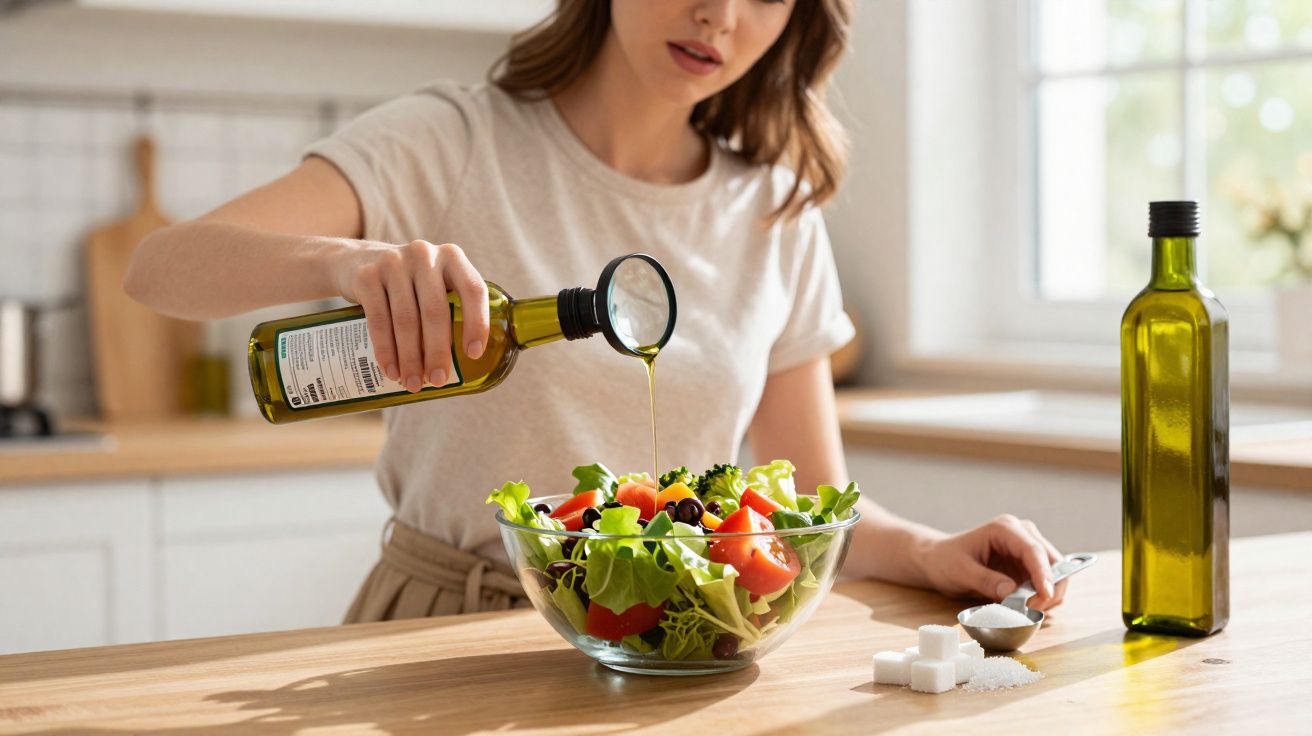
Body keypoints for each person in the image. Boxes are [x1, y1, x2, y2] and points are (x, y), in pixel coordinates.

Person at [126, 0, 1068, 621]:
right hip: (446, 624)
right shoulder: (454, 140)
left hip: (673, 638)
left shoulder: (773, 209)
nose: (721, 15)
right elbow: (161, 269)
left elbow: (810, 511)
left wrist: (935, 550)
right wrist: (352, 259)